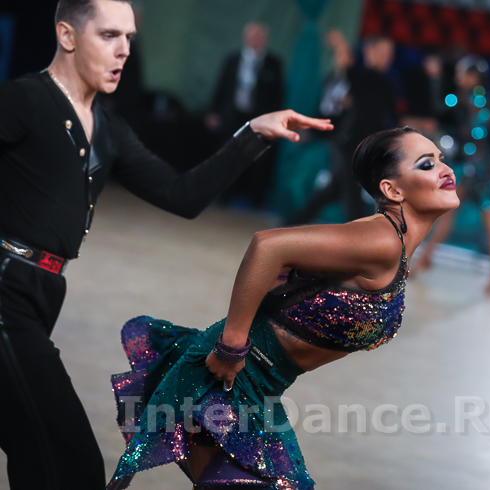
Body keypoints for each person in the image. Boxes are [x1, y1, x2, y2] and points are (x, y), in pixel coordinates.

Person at [0, 1, 332, 488]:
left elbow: (183, 195)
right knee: (70, 461)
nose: (123, 50)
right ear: (67, 36)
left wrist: (251, 135)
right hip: (6, 294)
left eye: (129, 38)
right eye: (109, 35)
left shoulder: (108, 129)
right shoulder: (23, 100)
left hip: (43, 292)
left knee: (35, 456)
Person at [107, 126, 460, 489]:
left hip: (255, 393)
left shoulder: (391, 244)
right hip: (227, 382)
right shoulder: (381, 240)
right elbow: (268, 246)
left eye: (441, 160)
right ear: (392, 190)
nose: (445, 170)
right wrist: (231, 345)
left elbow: (288, 273)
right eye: (427, 164)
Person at [414, 55, 490, 295]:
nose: (458, 77)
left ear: (474, 77)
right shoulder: (477, 100)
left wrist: (435, 80)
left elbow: (442, 109)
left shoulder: (471, 100)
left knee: (482, 218)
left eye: (462, 74)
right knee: (453, 214)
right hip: (475, 167)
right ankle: (426, 258)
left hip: (477, 170)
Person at [286, 34, 398, 225]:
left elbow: (390, 118)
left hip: (366, 148)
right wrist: (341, 44)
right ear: (369, 52)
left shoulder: (387, 84)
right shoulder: (361, 76)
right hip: (349, 145)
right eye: (382, 51)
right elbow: (347, 66)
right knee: (352, 196)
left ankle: (290, 224)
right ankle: (358, 239)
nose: (387, 56)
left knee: (331, 192)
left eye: (390, 53)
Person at [205, 22, 284, 207]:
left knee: (258, 156)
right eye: (251, 36)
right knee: (229, 154)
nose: (254, 40)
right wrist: (214, 112)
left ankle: (255, 198)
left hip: (260, 119)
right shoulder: (232, 60)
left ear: (265, 39)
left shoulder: (274, 64)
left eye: (258, 36)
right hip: (233, 116)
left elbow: (278, 95)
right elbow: (221, 87)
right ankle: (224, 194)